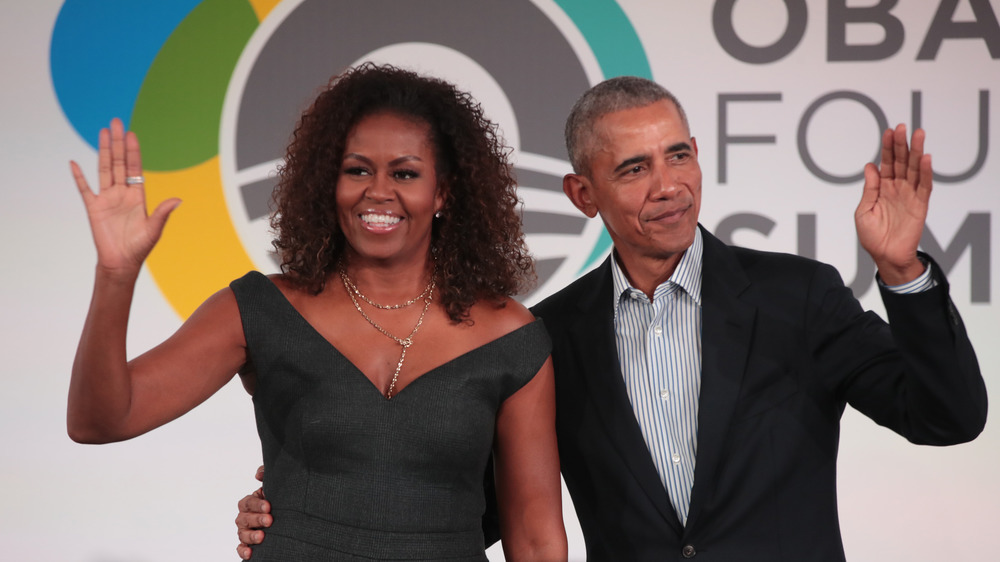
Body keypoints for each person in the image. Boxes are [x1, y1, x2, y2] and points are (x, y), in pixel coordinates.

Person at [237, 76, 987, 560]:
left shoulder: (800, 297)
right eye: (634, 169)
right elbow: (481, 515)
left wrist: (901, 272)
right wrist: (306, 512)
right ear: (582, 194)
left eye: (679, 156)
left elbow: (947, 417)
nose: (669, 187)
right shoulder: (544, 336)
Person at [67, 63, 567, 561]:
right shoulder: (260, 310)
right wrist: (116, 275)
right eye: (357, 170)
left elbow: (537, 539)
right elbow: (101, 420)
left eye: (405, 173)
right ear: (329, 183)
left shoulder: (509, 338)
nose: (378, 191)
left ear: (443, 192)